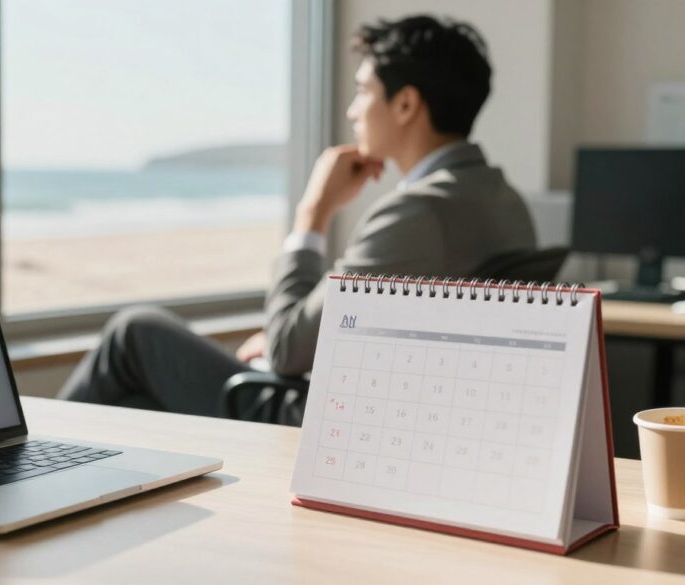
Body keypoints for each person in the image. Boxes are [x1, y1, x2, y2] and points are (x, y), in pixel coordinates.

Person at [58, 14, 537, 424]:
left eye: (363, 92)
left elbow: (289, 348)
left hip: (325, 424)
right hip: (412, 411)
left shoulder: (417, 213)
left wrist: (313, 213)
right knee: (138, 401)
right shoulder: (505, 200)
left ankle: (23, 467)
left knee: (133, 333)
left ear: (407, 104)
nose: (352, 111)